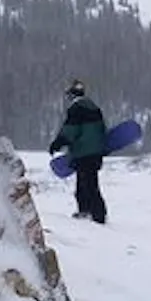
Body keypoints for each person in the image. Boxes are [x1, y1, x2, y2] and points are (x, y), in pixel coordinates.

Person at [49, 79, 109, 224]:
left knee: (86, 184)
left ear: (71, 95)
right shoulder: (95, 108)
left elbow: (70, 130)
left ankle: (94, 214)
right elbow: (102, 129)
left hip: (83, 152)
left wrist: (57, 143)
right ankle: (91, 212)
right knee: (89, 182)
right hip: (96, 152)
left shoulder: (75, 109)